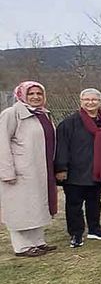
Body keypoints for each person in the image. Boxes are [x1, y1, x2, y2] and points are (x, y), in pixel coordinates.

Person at [0, 81, 58, 257]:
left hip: (40, 168)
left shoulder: (43, 114)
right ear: (22, 95)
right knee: (21, 208)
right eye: (31, 94)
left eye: (38, 94)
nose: (35, 97)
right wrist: (6, 171)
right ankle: (22, 246)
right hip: (20, 170)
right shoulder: (11, 114)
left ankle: (37, 242)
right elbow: (2, 143)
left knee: (37, 206)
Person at [55, 88, 101, 247]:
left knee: (95, 201)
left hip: (97, 169)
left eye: (94, 100)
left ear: (100, 102)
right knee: (74, 204)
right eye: (87, 99)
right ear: (81, 101)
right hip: (75, 171)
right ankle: (76, 233)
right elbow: (61, 146)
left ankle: (95, 229)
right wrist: (61, 168)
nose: (90, 102)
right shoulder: (69, 123)